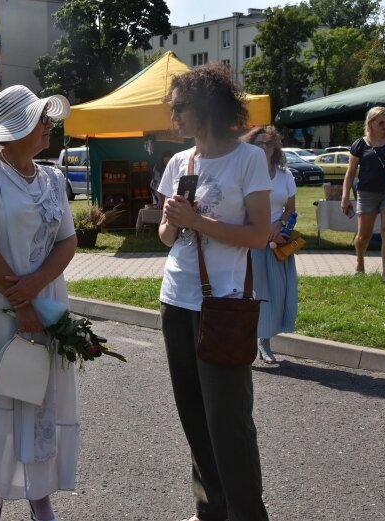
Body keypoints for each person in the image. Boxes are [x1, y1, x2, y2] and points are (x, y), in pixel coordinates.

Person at [0, 85, 78, 521]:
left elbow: (67, 240)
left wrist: (36, 287)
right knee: (1, 390)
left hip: (43, 297)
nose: (49, 126)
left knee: (40, 392)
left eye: (47, 117)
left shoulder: (52, 177)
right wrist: (20, 301)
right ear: (18, 127)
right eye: (42, 118)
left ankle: (40, 494)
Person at [157, 63, 272, 521]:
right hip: (176, 297)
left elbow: (260, 234)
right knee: (194, 415)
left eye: (180, 108)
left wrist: (197, 221)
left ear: (205, 107)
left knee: (228, 421)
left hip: (222, 303)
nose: (175, 117)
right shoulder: (179, 162)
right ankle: (211, 509)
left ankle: (246, 513)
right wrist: (170, 218)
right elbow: (167, 237)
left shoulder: (248, 160)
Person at [242, 126, 299, 364]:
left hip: (277, 242)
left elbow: (290, 209)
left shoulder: (285, 175)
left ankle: (264, 341)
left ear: (275, 147)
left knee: (275, 294)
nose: (263, 147)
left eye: (268, 143)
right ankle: (245, 344)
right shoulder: (244, 173)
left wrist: (279, 226)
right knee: (251, 293)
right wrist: (262, 229)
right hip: (251, 242)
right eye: (258, 143)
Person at [340, 106, 385, 281]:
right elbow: (350, 173)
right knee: (364, 235)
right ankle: (360, 262)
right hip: (366, 193)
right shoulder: (360, 144)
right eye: (381, 122)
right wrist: (344, 197)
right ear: (370, 123)